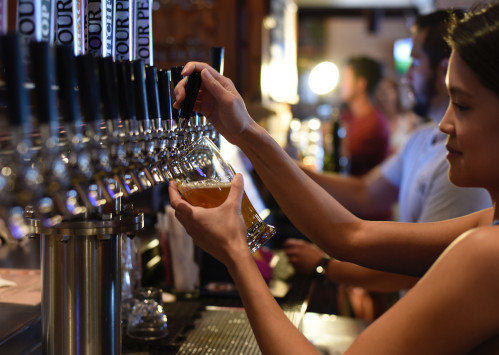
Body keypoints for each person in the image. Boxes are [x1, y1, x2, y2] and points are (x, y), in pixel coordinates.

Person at [169, 2, 499, 353]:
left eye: (462, 105)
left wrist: (235, 252)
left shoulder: (486, 253)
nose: (445, 123)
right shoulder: (487, 224)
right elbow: (349, 235)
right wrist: (245, 131)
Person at [284, 9, 492, 320]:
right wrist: (288, 168)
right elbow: (365, 192)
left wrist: (324, 264)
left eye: (416, 61)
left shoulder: (461, 167)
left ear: (443, 68)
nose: (406, 75)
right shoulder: (423, 138)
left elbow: (416, 268)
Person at [336, 56, 390, 177]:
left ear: (360, 84)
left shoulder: (373, 124)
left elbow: (344, 158)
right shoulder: (348, 115)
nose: (341, 85)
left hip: (356, 191)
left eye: (345, 79)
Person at [374, 76, 424, 153]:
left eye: (389, 89)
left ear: (397, 92)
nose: (385, 95)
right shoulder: (376, 125)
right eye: (381, 91)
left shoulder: (411, 119)